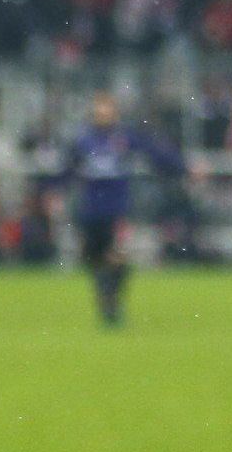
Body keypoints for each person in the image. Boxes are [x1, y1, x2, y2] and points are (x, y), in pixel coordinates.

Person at [59, 95, 185, 326]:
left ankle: (112, 300)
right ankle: (105, 296)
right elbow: (67, 168)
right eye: (99, 110)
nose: (104, 114)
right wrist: (54, 190)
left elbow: (156, 154)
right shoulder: (84, 140)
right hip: (91, 211)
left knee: (117, 257)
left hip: (117, 210)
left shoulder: (124, 137)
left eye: (107, 110)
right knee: (95, 260)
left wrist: (183, 167)